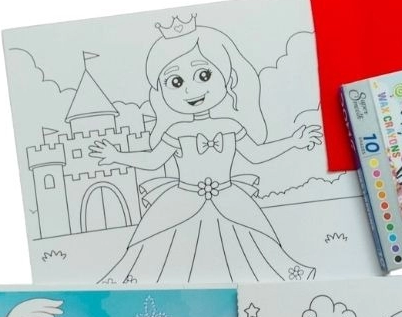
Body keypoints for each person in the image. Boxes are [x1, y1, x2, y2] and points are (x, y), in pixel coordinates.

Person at [90, 15, 320, 283]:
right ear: (160, 92)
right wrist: (117, 156)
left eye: (204, 75)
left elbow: (256, 155)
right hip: (182, 200)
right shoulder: (176, 131)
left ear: (228, 78)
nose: (191, 89)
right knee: (162, 256)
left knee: (252, 251)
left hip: (229, 198)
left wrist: (293, 142)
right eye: (176, 82)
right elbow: (153, 161)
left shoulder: (231, 125)